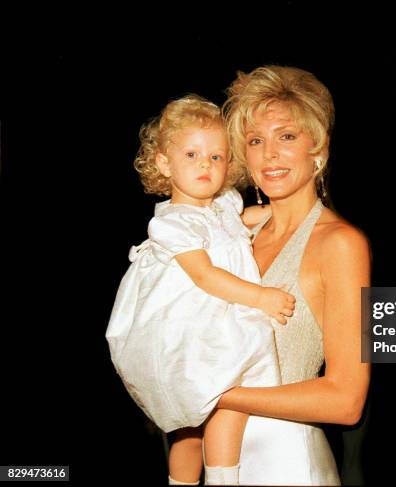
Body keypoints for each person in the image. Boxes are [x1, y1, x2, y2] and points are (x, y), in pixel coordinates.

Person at [105, 94, 296, 485]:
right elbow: (206, 276)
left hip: (223, 319)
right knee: (190, 429)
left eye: (216, 157)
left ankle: (224, 478)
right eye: (191, 155)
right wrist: (260, 297)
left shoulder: (223, 203)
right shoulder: (173, 223)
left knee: (229, 409)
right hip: (189, 328)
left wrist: (275, 212)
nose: (205, 165)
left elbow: (236, 225)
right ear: (163, 163)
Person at [218, 65, 371, 485]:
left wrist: (219, 397)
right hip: (216, 459)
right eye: (255, 140)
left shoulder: (339, 243)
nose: (270, 154)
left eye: (286, 136)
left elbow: (345, 400)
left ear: (317, 149)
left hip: (286, 464)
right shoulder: (234, 237)